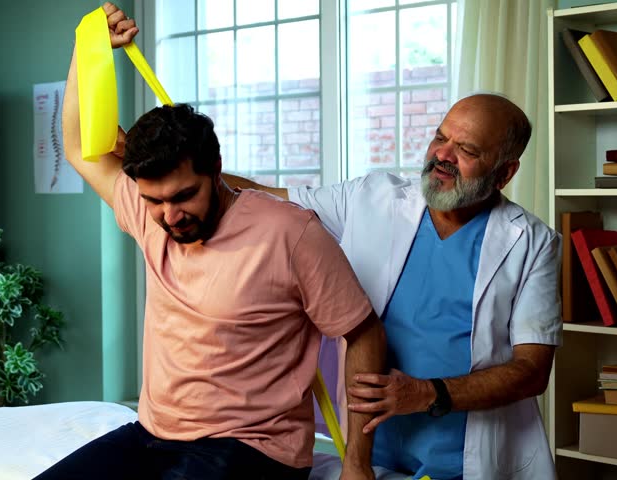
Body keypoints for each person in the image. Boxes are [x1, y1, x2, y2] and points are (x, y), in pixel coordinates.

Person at [34, 3, 387, 480]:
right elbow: (78, 146)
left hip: (251, 447)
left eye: (184, 196)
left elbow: (363, 332)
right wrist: (88, 44)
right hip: (153, 434)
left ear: (216, 171)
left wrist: (357, 465)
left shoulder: (291, 233)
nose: (169, 216)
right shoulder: (148, 213)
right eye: (155, 200)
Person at [226, 93, 561, 480]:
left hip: (468, 458)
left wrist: (427, 394)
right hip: (369, 449)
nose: (443, 155)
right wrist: (174, 167)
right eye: (440, 137)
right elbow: (257, 198)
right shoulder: (372, 198)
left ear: (504, 173)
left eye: (466, 149)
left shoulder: (533, 242)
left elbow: (532, 370)